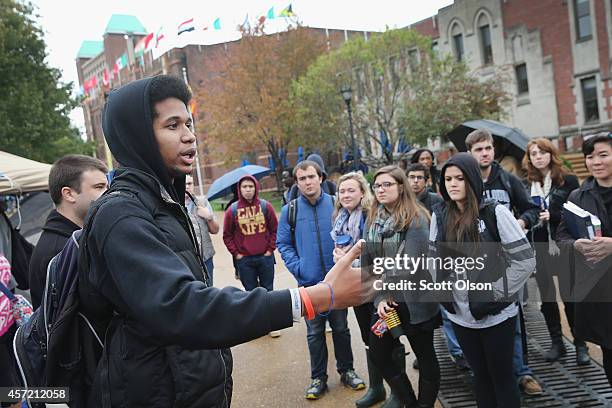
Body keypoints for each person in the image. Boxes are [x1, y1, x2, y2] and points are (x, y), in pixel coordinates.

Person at [80, 75, 365, 407]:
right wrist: (315, 297)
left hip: (188, 386)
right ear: (137, 136)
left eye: (189, 123)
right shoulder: (121, 215)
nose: (189, 136)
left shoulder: (162, 203)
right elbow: (183, 307)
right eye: (172, 126)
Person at [429, 153, 536, 408]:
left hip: (496, 314)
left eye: (460, 178)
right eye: (448, 179)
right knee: (480, 376)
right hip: (461, 314)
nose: (452, 184)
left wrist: (497, 293)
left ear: (473, 180)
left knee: (502, 376)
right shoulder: (440, 214)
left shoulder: (494, 212)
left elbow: (525, 260)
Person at [277, 160, 365, 400]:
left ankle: (347, 370)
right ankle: (318, 378)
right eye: (302, 178)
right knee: (314, 333)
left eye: (311, 177)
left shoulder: (336, 205)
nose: (307, 182)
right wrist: (299, 267)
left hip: (338, 283)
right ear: (297, 182)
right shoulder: (290, 210)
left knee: (341, 328)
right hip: (310, 284)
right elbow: (283, 244)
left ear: (321, 178)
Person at [466, 128, 542, 395]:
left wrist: (522, 221)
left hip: (508, 262)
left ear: (493, 150)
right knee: (480, 316)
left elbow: (532, 209)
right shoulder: (464, 184)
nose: (484, 153)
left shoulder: (508, 181)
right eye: (478, 149)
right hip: (477, 265)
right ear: (469, 153)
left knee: (514, 318)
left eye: (487, 148)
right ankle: (488, 370)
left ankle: (522, 373)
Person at [366, 165, 441, 408]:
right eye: (377, 185)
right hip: (389, 306)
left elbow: (411, 264)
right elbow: (369, 265)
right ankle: (409, 402)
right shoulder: (374, 221)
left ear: (401, 187)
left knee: (425, 357)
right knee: (377, 351)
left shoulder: (416, 219)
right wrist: (380, 298)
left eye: (387, 184)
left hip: (416, 303)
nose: (381, 189)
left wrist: (386, 292)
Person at [330, 172, 396, 408]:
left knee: (388, 336)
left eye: (351, 190)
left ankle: (398, 392)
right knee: (369, 338)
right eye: (342, 191)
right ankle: (376, 388)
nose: (346, 195)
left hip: (379, 286)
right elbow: (339, 250)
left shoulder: (373, 216)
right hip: (358, 288)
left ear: (362, 192)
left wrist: (348, 259)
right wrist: (342, 258)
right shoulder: (340, 217)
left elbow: (382, 254)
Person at [522, 138, 587, 364]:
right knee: (547, 298)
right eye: (533, 153)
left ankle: (580, 344)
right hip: (539, 245)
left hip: (563, 244)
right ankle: (557, 343)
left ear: (551, 154)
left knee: (571, 297)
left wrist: (554, 215)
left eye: (541, 152)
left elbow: (578, 212)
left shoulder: (567, 180)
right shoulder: (526, 183)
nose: (537, 157)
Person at [557, 133, 612, 387]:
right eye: (590, 157)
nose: (596, 162)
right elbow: (562, 236)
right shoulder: (578, 197)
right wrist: (576, 244)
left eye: (603, 155)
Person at [407, 163, 468, 372]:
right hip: (416, 268)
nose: (415, 181)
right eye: (411, 177)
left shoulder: (436, 202)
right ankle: (424, 354)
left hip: (438, 263)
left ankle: (458, 352)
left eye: (419, 177)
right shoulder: (404, 203)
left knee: (446, 311)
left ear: (426, 181)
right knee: (422, 318)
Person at [29, 154, 108, 310]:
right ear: (69, 194)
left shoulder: (73, 240)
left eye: (108, 186)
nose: (108, 193)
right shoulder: (61, 250)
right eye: (99, 187)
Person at [223, 175, 281, 337]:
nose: (248, 190)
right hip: (245, 261)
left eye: (250, 186)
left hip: (265, 257)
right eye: (244, 187)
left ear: (255, 188)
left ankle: (271, 324)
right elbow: (227, 235)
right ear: (239, 189)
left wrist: (270, 249)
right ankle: (257, 325)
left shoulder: (265, 207)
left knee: (268, 291)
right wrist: (237, 254)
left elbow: (275, 230)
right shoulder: (232, 210)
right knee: (251, 294)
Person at [185, 174, 219, 284]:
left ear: (193, 185)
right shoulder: (173, 204)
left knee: (208, 290)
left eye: (189, 184)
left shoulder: (202, 202)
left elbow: (215, 230)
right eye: (184, 184)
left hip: (205, 258)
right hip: (186, 260)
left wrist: (209, 217)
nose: (186, 187)